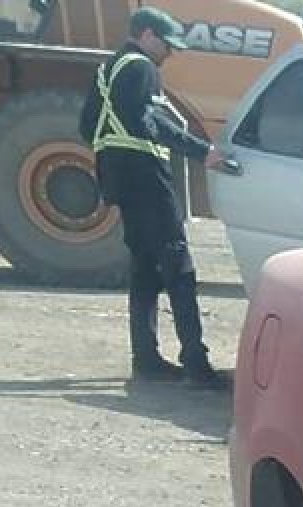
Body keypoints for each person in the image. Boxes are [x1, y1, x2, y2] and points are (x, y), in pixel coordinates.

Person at [87, 6, 227, 389]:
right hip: (145, 176)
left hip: (118, 176)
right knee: (178, 265)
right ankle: (196, 365)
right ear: (147, 35)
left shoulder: (108, 69)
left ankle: (145, 357)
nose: (170, 53)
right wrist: (203, 152)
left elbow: (88, 124)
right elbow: (149, 123)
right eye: (167, 45)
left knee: (145, 266)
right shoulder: (140, 67)